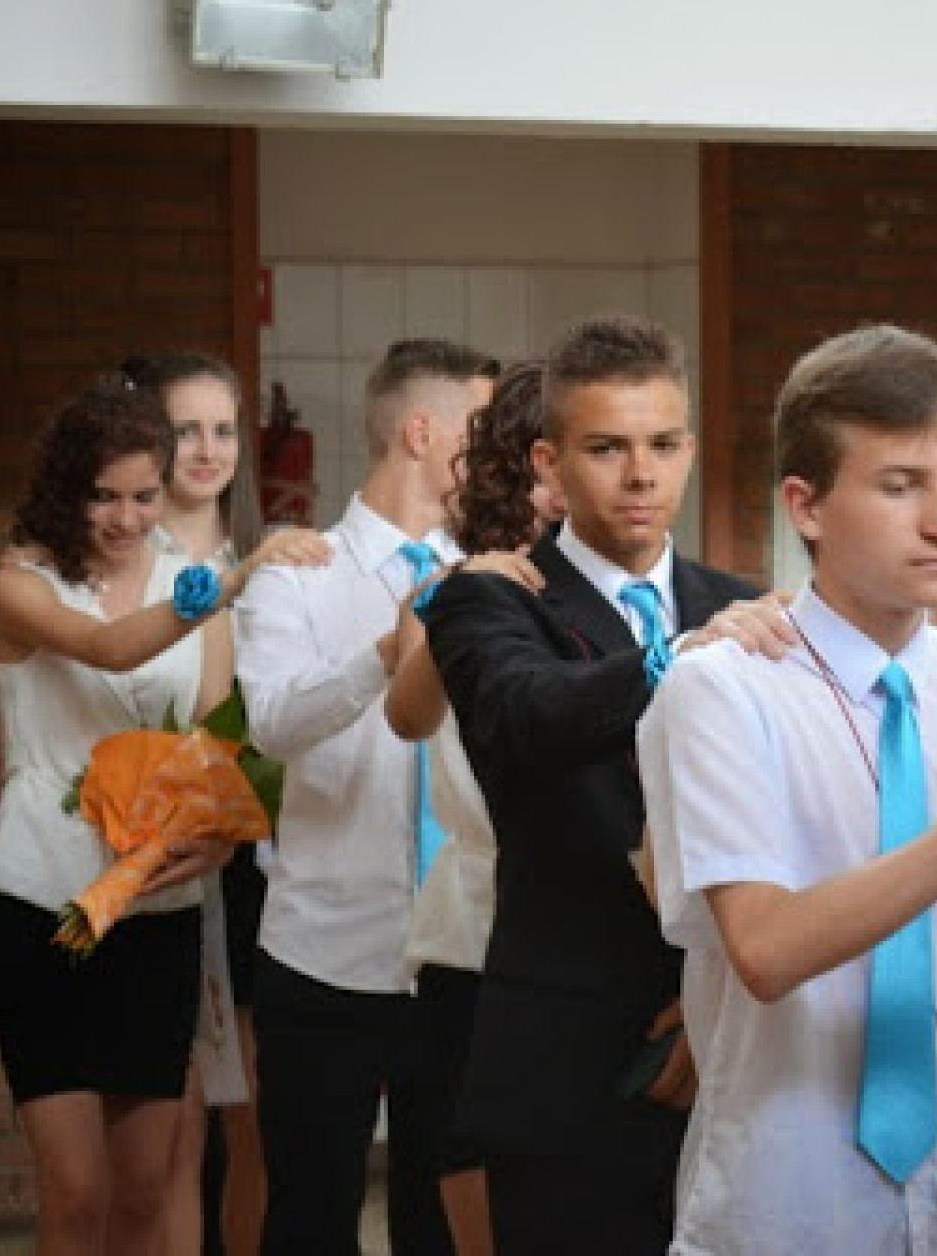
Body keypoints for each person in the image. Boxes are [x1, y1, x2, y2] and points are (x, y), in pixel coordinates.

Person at [638, 324, 937, 1255]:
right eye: (901, 485)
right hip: (783, 1205)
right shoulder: (723, 687)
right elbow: (766, 947)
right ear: (807, 506)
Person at [420, 316, 772, 1255]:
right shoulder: (490, 599)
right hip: (564, 1055)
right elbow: (528, 714)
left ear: (689, 449)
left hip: (731, 1046)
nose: (641, 473)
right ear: (551, 460)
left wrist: (714, 998)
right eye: (608, 447)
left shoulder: (741, 603)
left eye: (663, 444)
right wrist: (680, 657)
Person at [0, 379, 324, 1256]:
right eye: (105, 496)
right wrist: (236, 580)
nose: (127, 518)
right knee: (76, 1188)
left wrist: (214, 839)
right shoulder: (18, 585)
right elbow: (107, 648)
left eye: (143, 495)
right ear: (66, 489)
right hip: (41, 900)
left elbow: (214, 739)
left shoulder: (182, 581)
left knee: (144, 1189)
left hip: (160, 911)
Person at [236, 337, 498, 1256]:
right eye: (483, 430)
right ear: (424, 433)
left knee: (443, 1225)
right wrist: (385, 654)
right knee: (309, 1220)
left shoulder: (494, 576)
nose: (500, 453)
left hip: (458, 954)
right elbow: (269, 722)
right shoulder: (296, 572)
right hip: (323, 950)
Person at [383, 359, 562, 1256]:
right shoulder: (448, 584)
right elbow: (408, 715)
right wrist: (461, 601)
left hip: (593, 930)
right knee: (464, 1188)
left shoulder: (639, 593)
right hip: (472, 932)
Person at [121, 351, 268, 1256]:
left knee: (255, 1110)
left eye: (223, 428)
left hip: (253, 856)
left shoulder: (273, 560)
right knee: (162, 1124)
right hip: (148, 849)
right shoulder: (126, 564)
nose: (209, 449)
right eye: (186, 430)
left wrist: (235, 817)